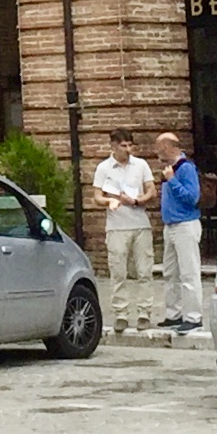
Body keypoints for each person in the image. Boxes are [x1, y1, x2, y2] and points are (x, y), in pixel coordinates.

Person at [91, 129, 156, 334]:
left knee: (144, 270)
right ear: (113, 146)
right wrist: (111, 200)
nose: (127, 150)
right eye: (123, 146)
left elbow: (151, 191)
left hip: (140, 222)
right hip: (117, 226)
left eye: (130, 145)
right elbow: (96, 196)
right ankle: (121, 313)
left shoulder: (141, 165)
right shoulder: (104, 168)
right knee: (118, 271)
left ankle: (144, 312)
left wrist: (137, 201)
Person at [154, 130, 203, 333]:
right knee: (170, 273)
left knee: (189, 272)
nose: (156, 151)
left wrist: (172, 180)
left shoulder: (185, 168)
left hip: (185, 225)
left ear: (168, 147)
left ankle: (193, 316)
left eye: (158, 147)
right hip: (171, 225)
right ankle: (173, 314)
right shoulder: (169, 168)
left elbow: (192, 197)